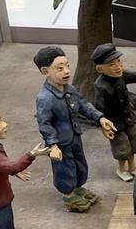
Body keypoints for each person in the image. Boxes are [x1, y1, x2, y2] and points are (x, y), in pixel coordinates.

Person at [32, 46, 117, 212]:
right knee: (65, 169)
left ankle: (78, 188)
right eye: (59, 68)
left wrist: (100, 118)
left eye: (67, 66)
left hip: (75, 136)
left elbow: (84, 105)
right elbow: (45, 124)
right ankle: (69, 195)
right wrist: (53, 145)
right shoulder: (45, 98)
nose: (66, 71)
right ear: (45, 71)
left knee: (80, 164)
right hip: (61, 144)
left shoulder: (70, 90)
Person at [92, 42, 136, 182]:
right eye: (112, 64)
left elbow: (133, 75)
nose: (118, 66)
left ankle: (132, 167)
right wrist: (103, 126)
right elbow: (99, 108)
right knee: (122, 147)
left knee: (133, 142)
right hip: (114, 123)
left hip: (128, 118)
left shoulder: (120, 75)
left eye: (118, 61)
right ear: (100, 69)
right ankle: (121, 169)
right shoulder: (101, 86)